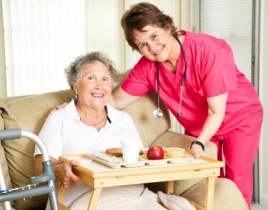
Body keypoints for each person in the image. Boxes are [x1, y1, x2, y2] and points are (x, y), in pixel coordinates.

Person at [110, 2, 263, 210]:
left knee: (236, 179)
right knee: (201, 180)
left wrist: (199, 143)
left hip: (239, 117)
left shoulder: (209, 51)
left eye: (154, 36)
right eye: (142, 45)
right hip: (200, 124)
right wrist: (74, 103)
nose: (152, 48)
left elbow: (216, 111)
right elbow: (116, 101)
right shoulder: (147, 67)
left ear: (166, 26)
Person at [33, 51, 195, 210]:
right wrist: (61, 171)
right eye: (91, 78)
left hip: (133, 195)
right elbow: (40, 169)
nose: (99, 85)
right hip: (84, 200)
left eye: (105, 79)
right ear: (75, 86)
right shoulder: (59, 118)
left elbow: (140, 162)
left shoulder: (123, 120)